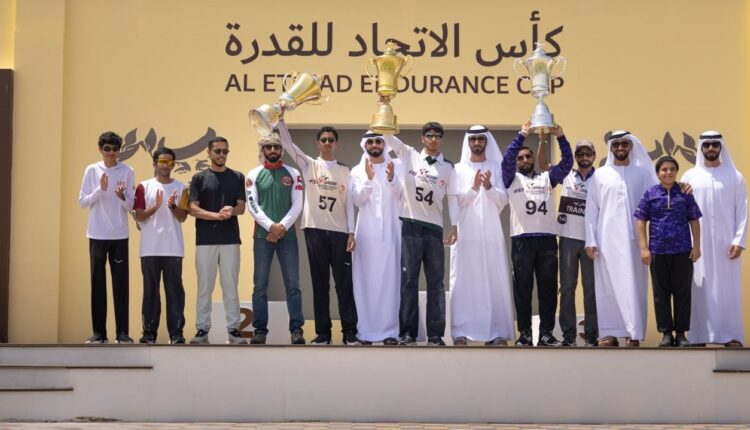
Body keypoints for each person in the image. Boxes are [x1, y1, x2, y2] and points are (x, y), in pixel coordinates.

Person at [277, 116, 360, 345]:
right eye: (323, 139)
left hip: (340, 232)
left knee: (344, 284)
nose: (327, 143)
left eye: (331, 140)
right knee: (320, 283)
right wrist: (281, 120)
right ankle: (323, 333)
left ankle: (349, 332)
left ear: (336, 143)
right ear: (317, 143)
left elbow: (348, 204)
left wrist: (351, 232)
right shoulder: (309, 165)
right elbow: (288, 144)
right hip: (314, 230)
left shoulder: (345, 170)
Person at [384, 122, 457, 346]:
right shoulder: (410, 155)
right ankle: (408, 333)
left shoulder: (448, 167)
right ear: (422, 138)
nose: (433, 139)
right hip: (411, 226)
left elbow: (452, 197)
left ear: (442, 139)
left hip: (434, 229)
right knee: (409, 280)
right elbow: (388, 138)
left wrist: (454, 224)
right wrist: (385, 109)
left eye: (437, 135)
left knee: (436, 283)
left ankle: (435, 334)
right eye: (429, 135)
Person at [501, 122, 572, 347]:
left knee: (548, 290)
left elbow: (567, 163)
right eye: (520, 158)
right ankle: (525, 334)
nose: (524, 160)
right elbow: (506, 159)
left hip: (547, 240)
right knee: (522, 290)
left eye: (527, 156)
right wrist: (523, 134)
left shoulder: (547, 177)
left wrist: (560, 136)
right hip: (522, 240)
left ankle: (546, 334)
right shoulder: (511, 179)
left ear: (533, 158)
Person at [585, 131, 658, 347]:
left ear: (630, 146)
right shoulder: (600, 175)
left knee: (634, 284)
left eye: (624, 144)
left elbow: (658, 198)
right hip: (606, 239)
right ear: (611, 147)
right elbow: (591, 209)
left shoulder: (643, 174)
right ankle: (609, 333)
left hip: (636, 240)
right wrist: (591, 240)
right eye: (616, 144)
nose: (620, 147)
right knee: (607, 285)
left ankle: (633, 332)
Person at [448, 126, 514, 346]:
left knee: (493, 279)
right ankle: (461, 332)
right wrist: (475, 188)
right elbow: (456, 202)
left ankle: (495, 332)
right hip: (466, 234)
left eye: (481, 139)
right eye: (473, 139)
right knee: (464, 281)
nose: (477, 142)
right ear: (468, 142)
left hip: (491, 234)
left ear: (486, 142)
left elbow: (504, 200)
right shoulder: (458, 169)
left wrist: (489, 187)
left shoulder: (497, 167)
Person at [681, 130, 747, 347]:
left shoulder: (735, 176)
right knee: (698, 288)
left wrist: (739, 240)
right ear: (701, 148)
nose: (711, 148)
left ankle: (731, 336)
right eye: (707, 145)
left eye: (714, 144)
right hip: (696, 244)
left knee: (728, 289)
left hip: (727, 244)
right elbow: (681, 211)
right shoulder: (689, 177)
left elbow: (742, 211)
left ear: (720, 147)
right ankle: (698, 337)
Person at [635, 156, 702, 347]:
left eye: (672, 169)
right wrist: (644, 248)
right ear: (658, 173)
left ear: (676, 172)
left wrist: (696, 247)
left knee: (682, 293)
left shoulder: (685, 193)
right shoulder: (650, 194)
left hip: (683, 251)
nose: (668, 172)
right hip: (658, 252)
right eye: (664, 169)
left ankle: (681, 334)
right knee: (660, 294)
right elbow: (640, 220)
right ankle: (666, 333)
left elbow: (694, 220)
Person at [245, 134, 305, 345]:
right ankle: (260, 331)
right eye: (268, 147)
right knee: (260, 285)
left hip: (288, 237)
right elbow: (252, 205)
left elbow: (298, 204)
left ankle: (296, 330)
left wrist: (282, 227)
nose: (272, 150)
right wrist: (271, 226)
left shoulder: (293, 173)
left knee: (293, 285)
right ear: (263, 150)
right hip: (263, 237)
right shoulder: (253, 174)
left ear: (281, 150)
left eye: (276, 147)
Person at [538, 139, 599, 347]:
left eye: (588, 154)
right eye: (580, 154)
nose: (584, 157)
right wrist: (542, 142)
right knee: (567, 288)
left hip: (591, 240)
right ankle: (569, 336)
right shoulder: (566, 174)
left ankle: (592, 335)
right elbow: (543, 166)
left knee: (591, 288)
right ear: (575, 157)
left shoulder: (600, 178)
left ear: (594, 156)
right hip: (567, 238)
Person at [188, 136, 247, 345]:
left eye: (225, 151)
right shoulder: (199, 178)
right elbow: (192, 208)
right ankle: (202, 329)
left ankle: (234, 330)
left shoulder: (237, 177)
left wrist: (231, 210)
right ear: (209, 153)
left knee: (230, 286)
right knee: (205, 287)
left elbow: (241, 207)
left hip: (230, 240)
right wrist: (216, 216)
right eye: (218, 151)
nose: (222, 155)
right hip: (205, 240)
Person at [78, 131, 135, 344]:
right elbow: (82, 202)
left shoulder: (127, 171)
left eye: (115, 149)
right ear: (100, 149)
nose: (111, 153)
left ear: (120, 150)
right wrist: (100, 190)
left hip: (119, 234)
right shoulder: (91, 170)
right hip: (97, 234)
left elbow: (130, 205)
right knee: (97, 283)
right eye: (107, 149)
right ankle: (99, 333)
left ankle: (122, 333)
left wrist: (121, 197)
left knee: (121, 284)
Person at [350, 132, 402, 345]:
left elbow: (403, 196)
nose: (374, 145)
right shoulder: (357, 170)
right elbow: (356, 200)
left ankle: (391, 332)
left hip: (392, 232)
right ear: (365, 145)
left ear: (384, 144)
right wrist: (369, 179)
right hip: (366, 235)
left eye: (378, 141)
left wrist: (391, 178)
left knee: (391, 282)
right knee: (365, 282)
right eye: (370, 142)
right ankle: (365, 332)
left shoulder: (397, 165)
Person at [133, 147, 189, 344]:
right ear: (154, 163)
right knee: (150, 291)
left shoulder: (182, 187)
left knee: (175, 292)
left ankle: (176, 334)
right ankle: (149, 333)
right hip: (150, 248)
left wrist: (172, 206)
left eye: (170, 162)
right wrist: (156, 206)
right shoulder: (143, 186)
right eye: (162, 162)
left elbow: (182, 217)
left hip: (173, 247)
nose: (166, 166)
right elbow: (139, 216)